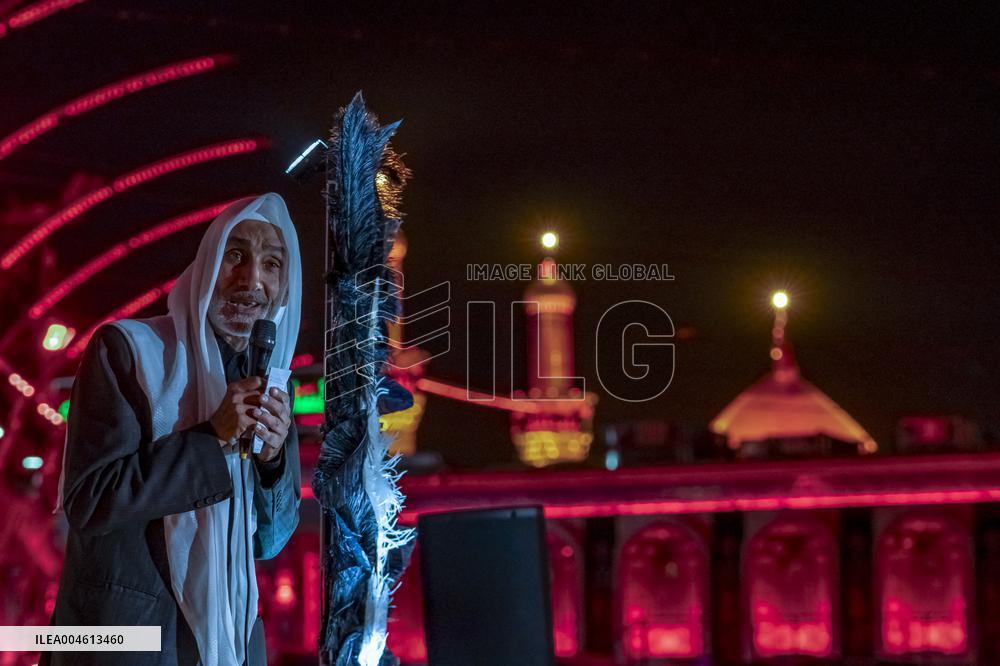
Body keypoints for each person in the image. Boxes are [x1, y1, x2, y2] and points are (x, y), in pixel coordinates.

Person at [44, 193, 302, 666]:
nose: (253, 280)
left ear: (286, 288)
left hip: (230, 644)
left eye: (272, 264)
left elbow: (270, 540)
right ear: (207, 265)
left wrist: (272, 460)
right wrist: (211, 437)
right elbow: (90, 500)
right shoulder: (129, 350)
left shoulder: (269, 382)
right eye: (236, 255)